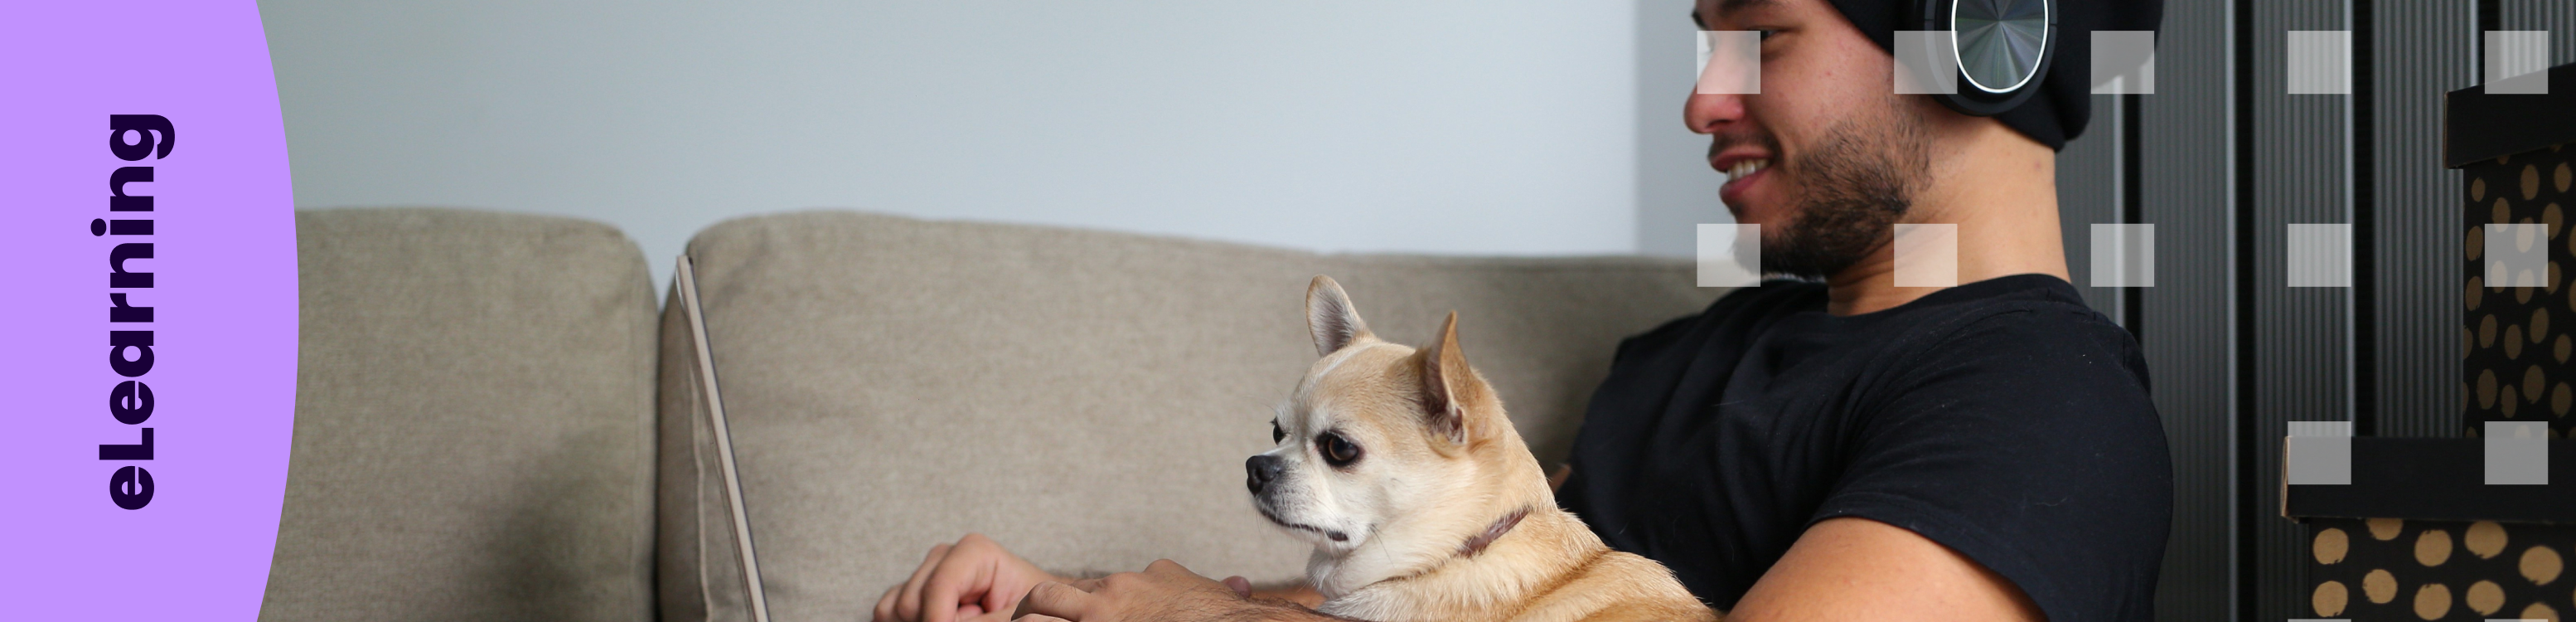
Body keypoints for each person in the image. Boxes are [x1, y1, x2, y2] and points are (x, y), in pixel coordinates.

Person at [874, 0, 2172, 620]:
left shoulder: (2042, 407)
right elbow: (1450, 592)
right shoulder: (1680, 360)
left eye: (1761, 41)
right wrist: (1073, 595)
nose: (1701, 102)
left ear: (1987, 36)